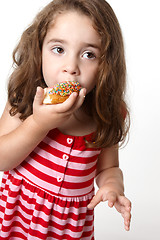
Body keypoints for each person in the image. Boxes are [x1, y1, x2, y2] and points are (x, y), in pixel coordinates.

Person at [0, 0, 131, 239]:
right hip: (18, 223)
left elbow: (109, 168)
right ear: (38, 48)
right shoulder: (26, 95)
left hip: (69, 230)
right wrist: (39, 124)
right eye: (59, 49)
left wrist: (112, 186)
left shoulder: (106, 113)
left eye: (89, 54)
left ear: (106, 65)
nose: (71, 67)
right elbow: (2, 159)